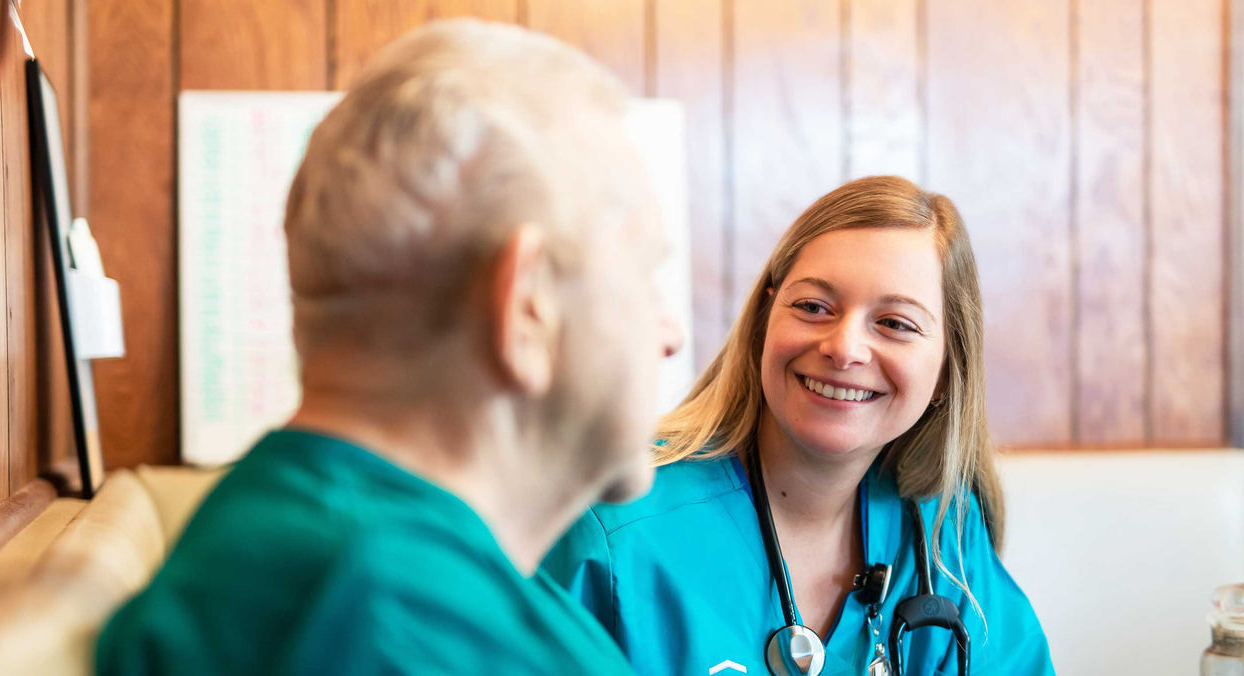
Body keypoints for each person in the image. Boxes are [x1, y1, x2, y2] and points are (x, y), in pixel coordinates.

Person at [96, 19, 682, 674]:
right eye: (644, 273)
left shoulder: (323, 552)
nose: (670, 333)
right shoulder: (399, 626)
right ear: (529, 308)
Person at [544, 176, 1054, 675]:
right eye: (813, 307)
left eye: (895, 323)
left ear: (946, 370)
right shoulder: (614, 520)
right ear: (766, 319)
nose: (844, 347)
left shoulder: (942, 534)